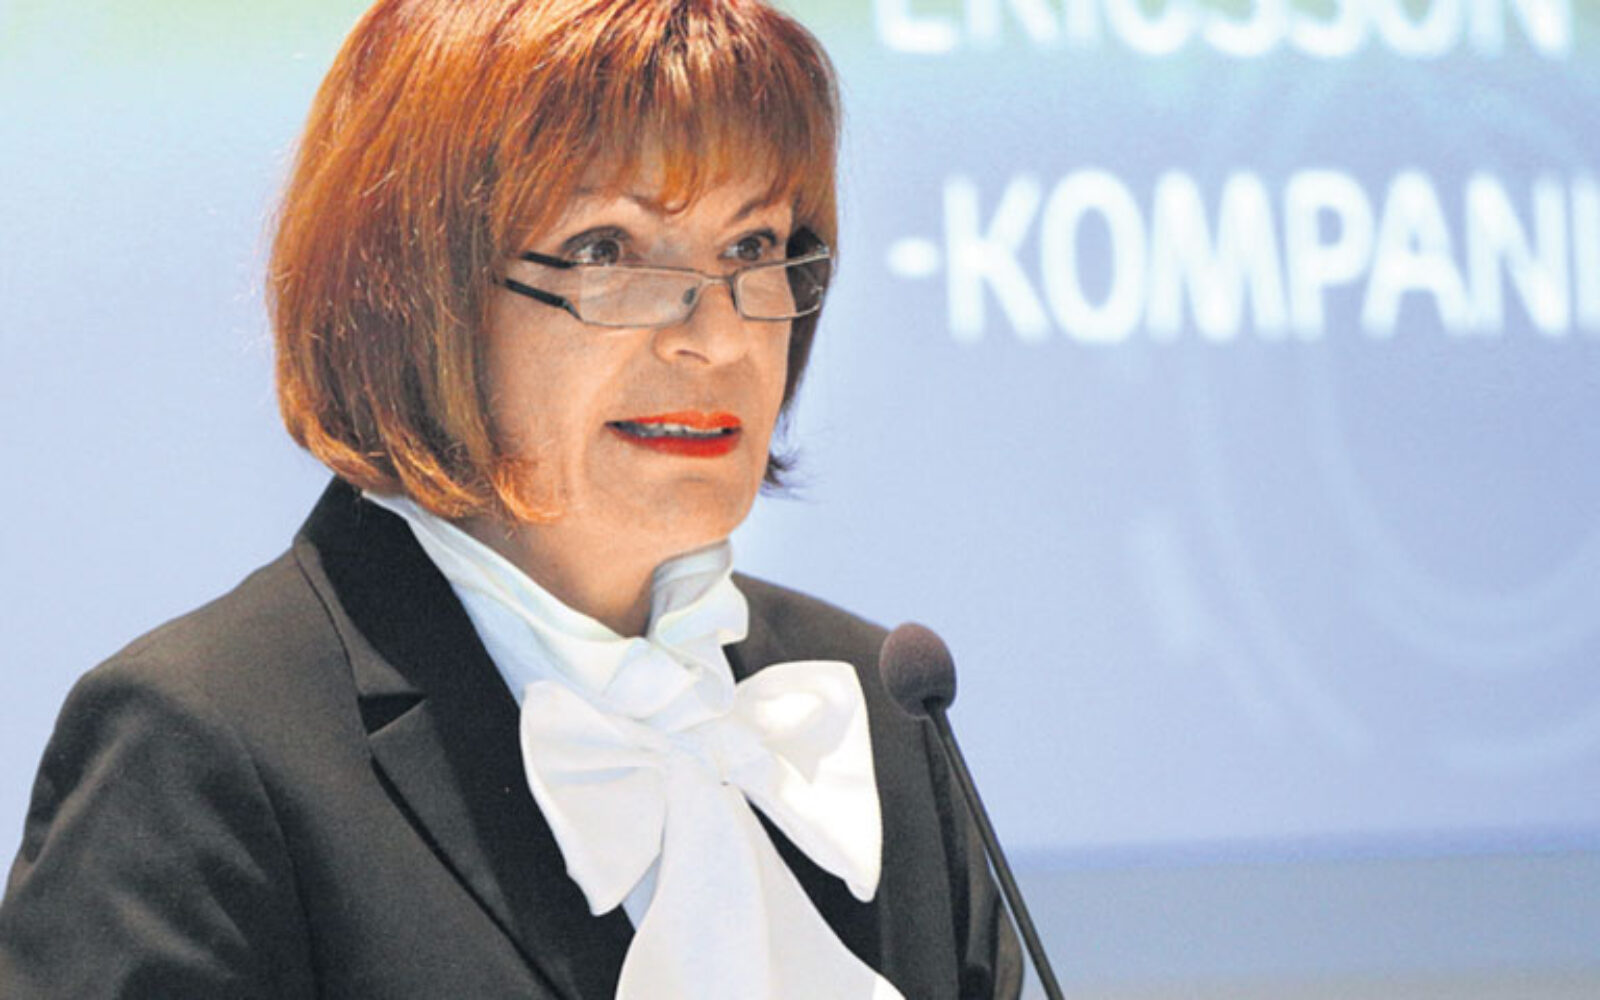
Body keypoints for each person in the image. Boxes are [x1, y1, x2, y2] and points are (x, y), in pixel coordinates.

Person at [0, 0, 1021, 997]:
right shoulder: (200, 748)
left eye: (752, 247)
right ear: (414, 292)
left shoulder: (880, 715)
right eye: (606, 251)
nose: (717, 339)